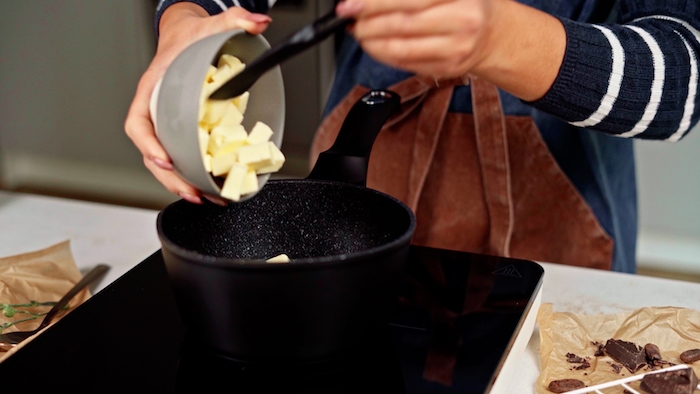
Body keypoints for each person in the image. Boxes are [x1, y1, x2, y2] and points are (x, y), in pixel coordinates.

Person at [125, 0, 700, 273]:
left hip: (564, 216)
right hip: (369, 144)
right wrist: (186, 18)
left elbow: (683, 80)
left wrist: (500, 40)